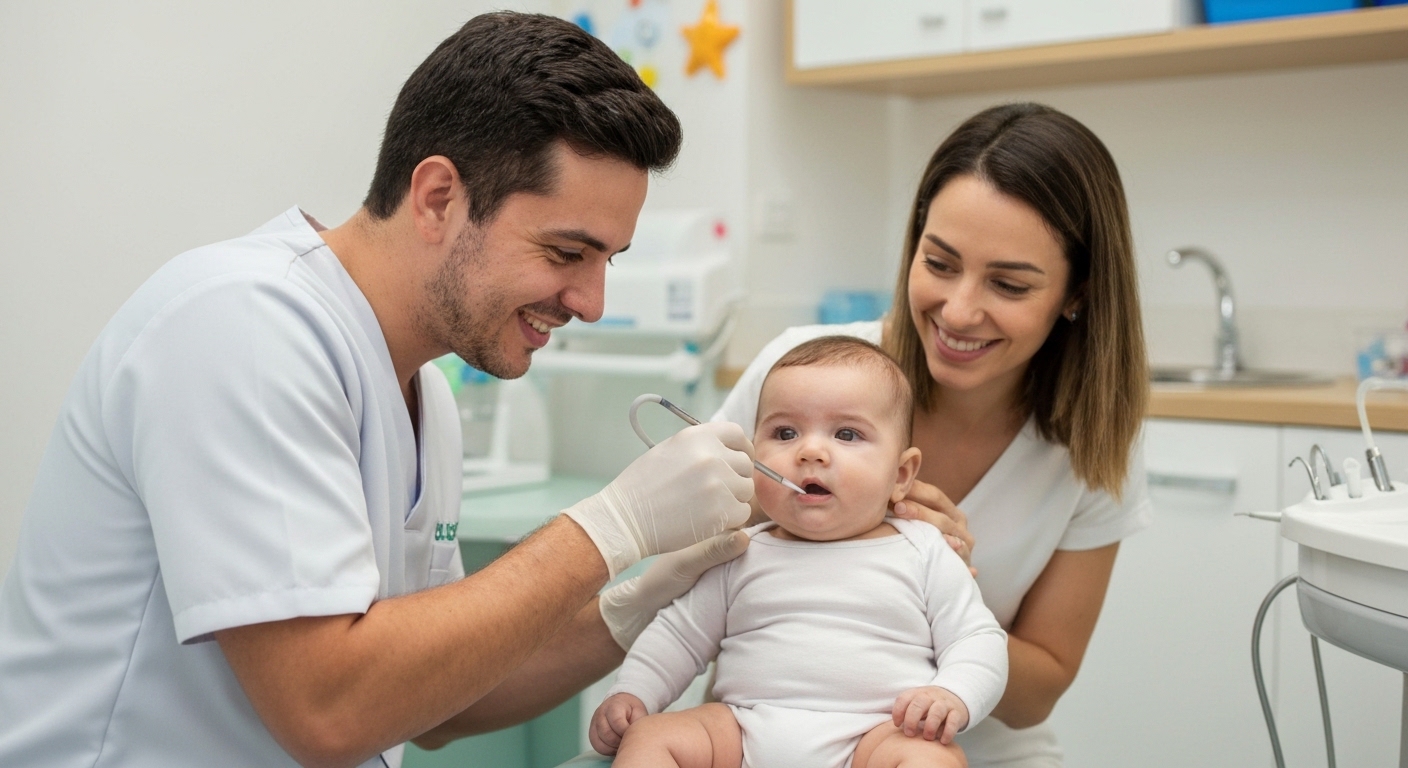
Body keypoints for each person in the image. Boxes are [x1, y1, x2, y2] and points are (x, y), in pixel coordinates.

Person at [0, 13, 757, 768]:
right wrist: (610, 528)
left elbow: (444, 699)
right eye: (567, 252)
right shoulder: (243, 324)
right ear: (436, 198)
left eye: (608, 262)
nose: (590, 302)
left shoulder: (424, 398)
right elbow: (329, 709)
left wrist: (646, 596)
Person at [714, 103, 1151, 767]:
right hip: (768, 735)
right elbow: (677, 576)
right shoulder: (800, 378)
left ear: (1077, 294)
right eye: (940, 263)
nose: (959, 309)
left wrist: (943, 588)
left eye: (1007, 283)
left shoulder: (1092, 442)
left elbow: (1039, 694)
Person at [590, 336, 1009, 768]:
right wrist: (633, 692)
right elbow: (678, 636)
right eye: (785, 432)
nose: (810, 451)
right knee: (652, 736)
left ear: (900, 475)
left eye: (847, 434)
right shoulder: (740, 552)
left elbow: (977, 640)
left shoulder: (924, 550)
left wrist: (953, 693)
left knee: (932, 759)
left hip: (876, 738)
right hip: (741, 732)